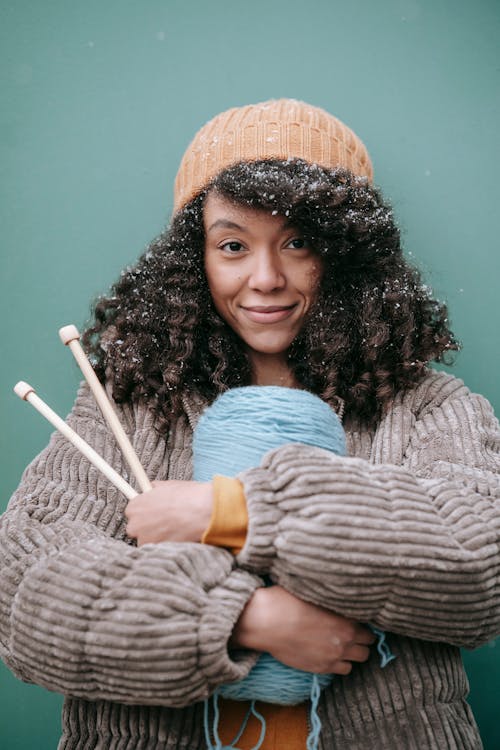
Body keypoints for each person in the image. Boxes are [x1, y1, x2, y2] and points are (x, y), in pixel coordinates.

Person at [1, 99, 499, 750]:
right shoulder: (128, 403)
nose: (265, 279)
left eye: (299, 242)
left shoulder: (427, 405)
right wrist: (240, 618)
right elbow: (25, 598)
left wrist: (235, 512)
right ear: (194, 259)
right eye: (232, 245)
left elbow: (479, 571)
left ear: (349, 255)